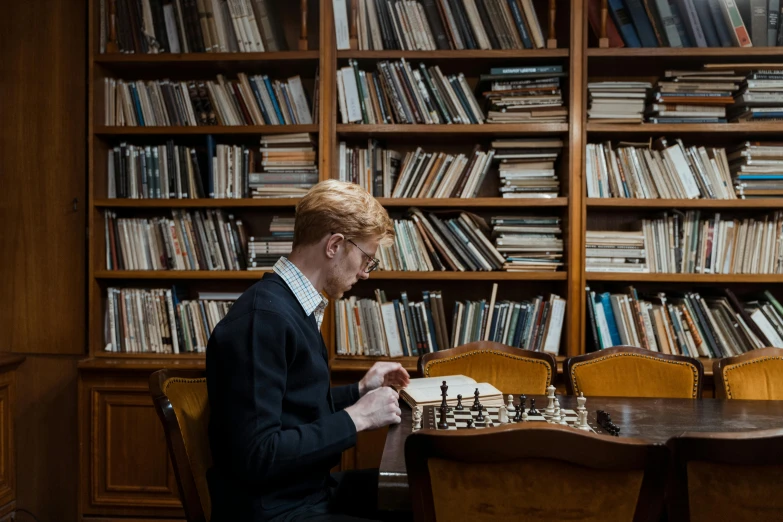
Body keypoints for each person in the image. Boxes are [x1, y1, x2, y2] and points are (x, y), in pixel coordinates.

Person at [206, 180, 411, 522]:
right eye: (366, 258)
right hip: (275, 511)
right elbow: (258, 455)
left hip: (305, 493)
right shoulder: (264, 318)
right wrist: (358, 416)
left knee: (424, 490)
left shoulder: (291, 306)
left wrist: (359, 391)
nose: (364, 273)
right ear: (334, 245)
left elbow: (292, 409)